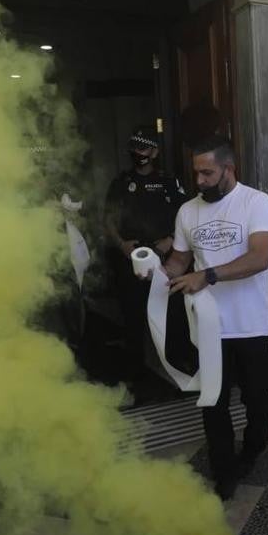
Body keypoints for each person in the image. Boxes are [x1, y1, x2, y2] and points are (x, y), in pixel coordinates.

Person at [159, 135, 268, 501]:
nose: (200, 182)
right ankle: (224, 470)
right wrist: (156, 273)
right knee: (213, 402)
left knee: (258, 399)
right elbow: (179, 262)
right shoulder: (187, 211)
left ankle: (254, 448)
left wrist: (208, 275)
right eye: (197, 174)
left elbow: (260, 258)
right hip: (208, 329)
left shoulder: (255, 203)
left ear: (229, 169)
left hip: (250, 324)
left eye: (208, 173)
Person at [104, 129, 186, 384]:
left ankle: (177, 364)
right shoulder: (121, 182)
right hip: (130, 258)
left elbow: (187, 216)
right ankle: (135, 374)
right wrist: (122, 245)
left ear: (155, 152)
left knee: (171, 313)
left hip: (164, 259)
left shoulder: (168, 182)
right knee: (133, 316)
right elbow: (107, 219)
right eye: (135, 148)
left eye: (144, 149)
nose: (139, 154)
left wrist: (169, 242)